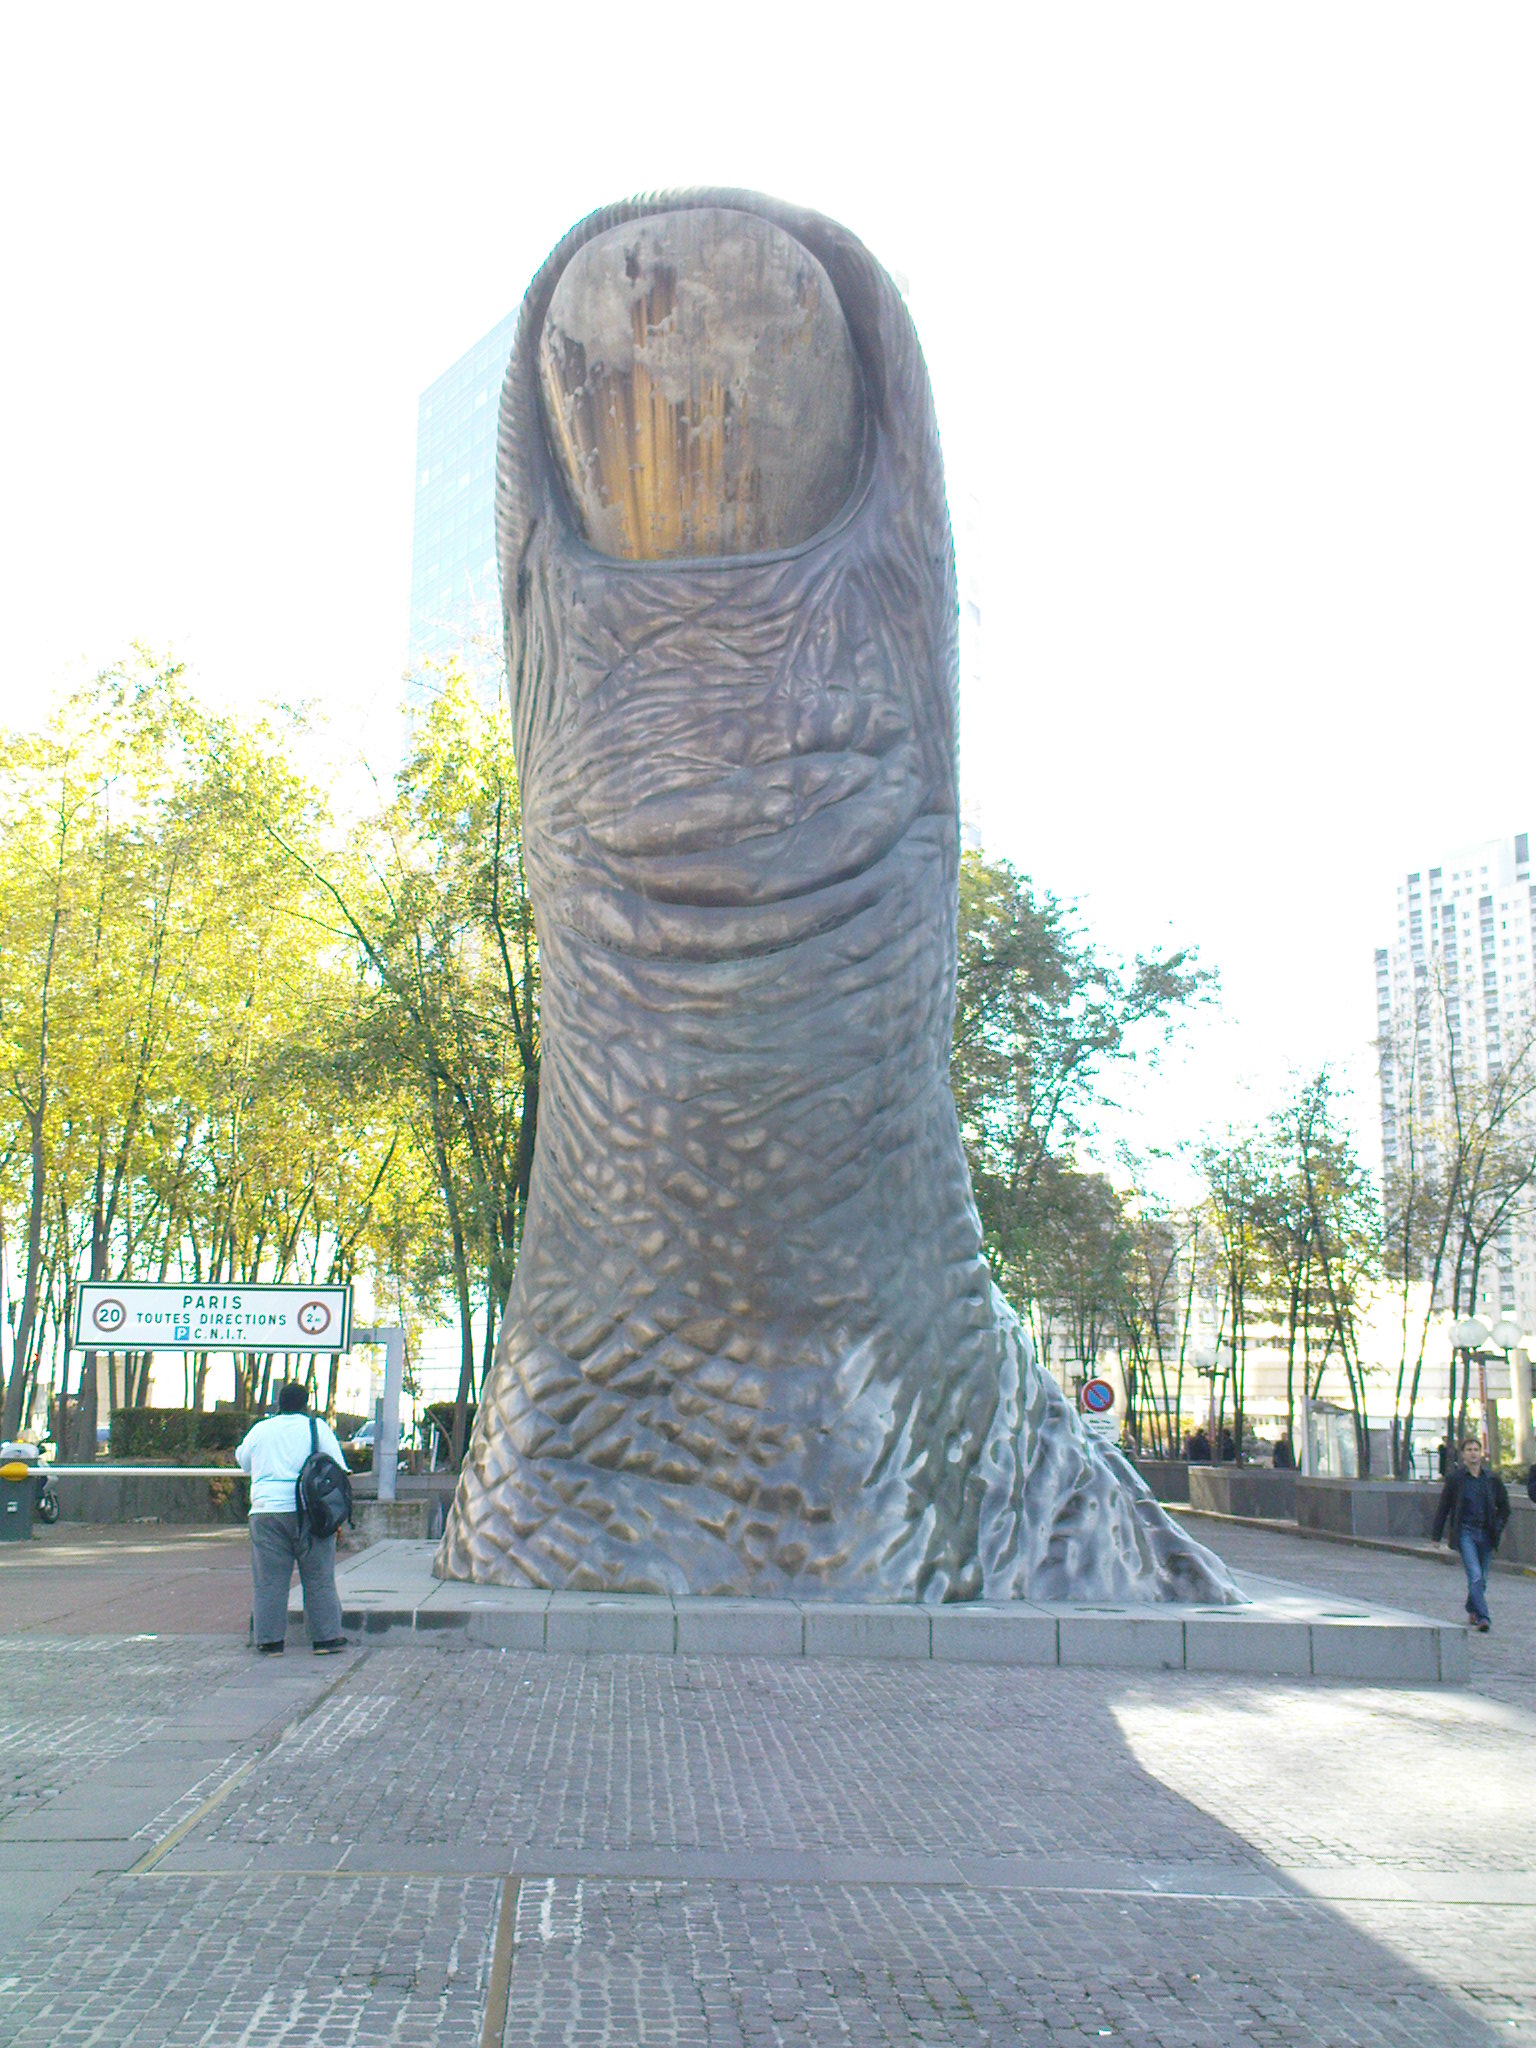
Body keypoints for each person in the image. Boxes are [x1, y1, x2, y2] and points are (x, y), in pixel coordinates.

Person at [236, 1382, 349, 1655]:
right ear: (305, 1404)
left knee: (269, 1581)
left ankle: (270, 1641)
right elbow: (339, 1466)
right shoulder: (316, 1428)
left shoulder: (261, 1429)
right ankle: (325, 1640)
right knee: (319, 1578)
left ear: (279, 1403)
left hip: (265, 1512)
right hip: (310, 1514)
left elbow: (243, 1461)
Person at [1431, 1436, 1510, 1633]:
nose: (1473, 1453)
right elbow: (1444, 1507)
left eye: (1476, 1449)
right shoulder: (1456, 1479)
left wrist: (1498, 1527)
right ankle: (1483, 1617)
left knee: (1482, 1578)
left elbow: (1504, 1507)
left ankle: (1472, 1606)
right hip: (1466, 1532)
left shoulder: (1491, 1479)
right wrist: (1436, 1535)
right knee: (1475, 1575)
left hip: (1487, 1533)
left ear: (1481, 1453)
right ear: (1463, 1455)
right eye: (1469, 1450)